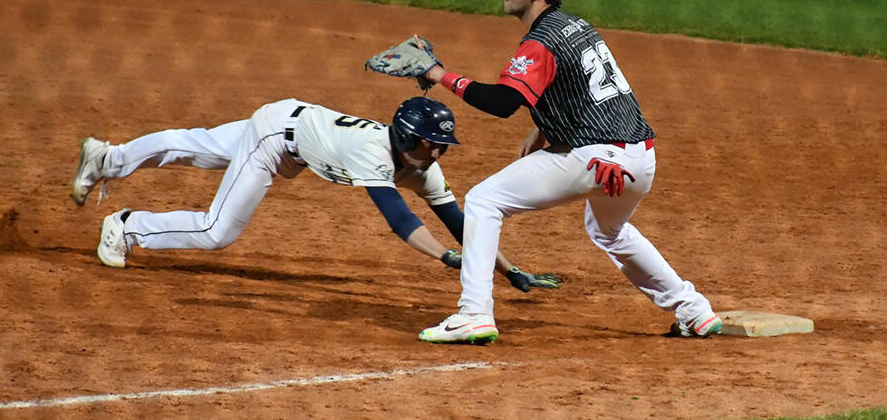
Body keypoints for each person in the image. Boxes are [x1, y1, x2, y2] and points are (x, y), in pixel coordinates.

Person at [409, 0, 721, 344]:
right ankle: (694, 310)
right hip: (639, 160)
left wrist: (439, 74)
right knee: (609, 230)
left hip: (594, 158)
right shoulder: (576, 25)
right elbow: (582, 90)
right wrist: (542, 128)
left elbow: (503, 103)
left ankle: (474, 313)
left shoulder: (540, 42)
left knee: (484, 201)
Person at [68, 96, 561, 292]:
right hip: (275, 137)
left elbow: (460, 222)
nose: (439, 152)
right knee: (218, 230)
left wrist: (509, 269)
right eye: (433, 143)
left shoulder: (423, 169)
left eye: (442, 145)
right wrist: (444, 257)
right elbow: (399, 220)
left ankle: (108, 159)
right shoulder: (374, 154)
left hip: (291, 122)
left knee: (196, 146)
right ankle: (126, 227)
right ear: (409, 138)